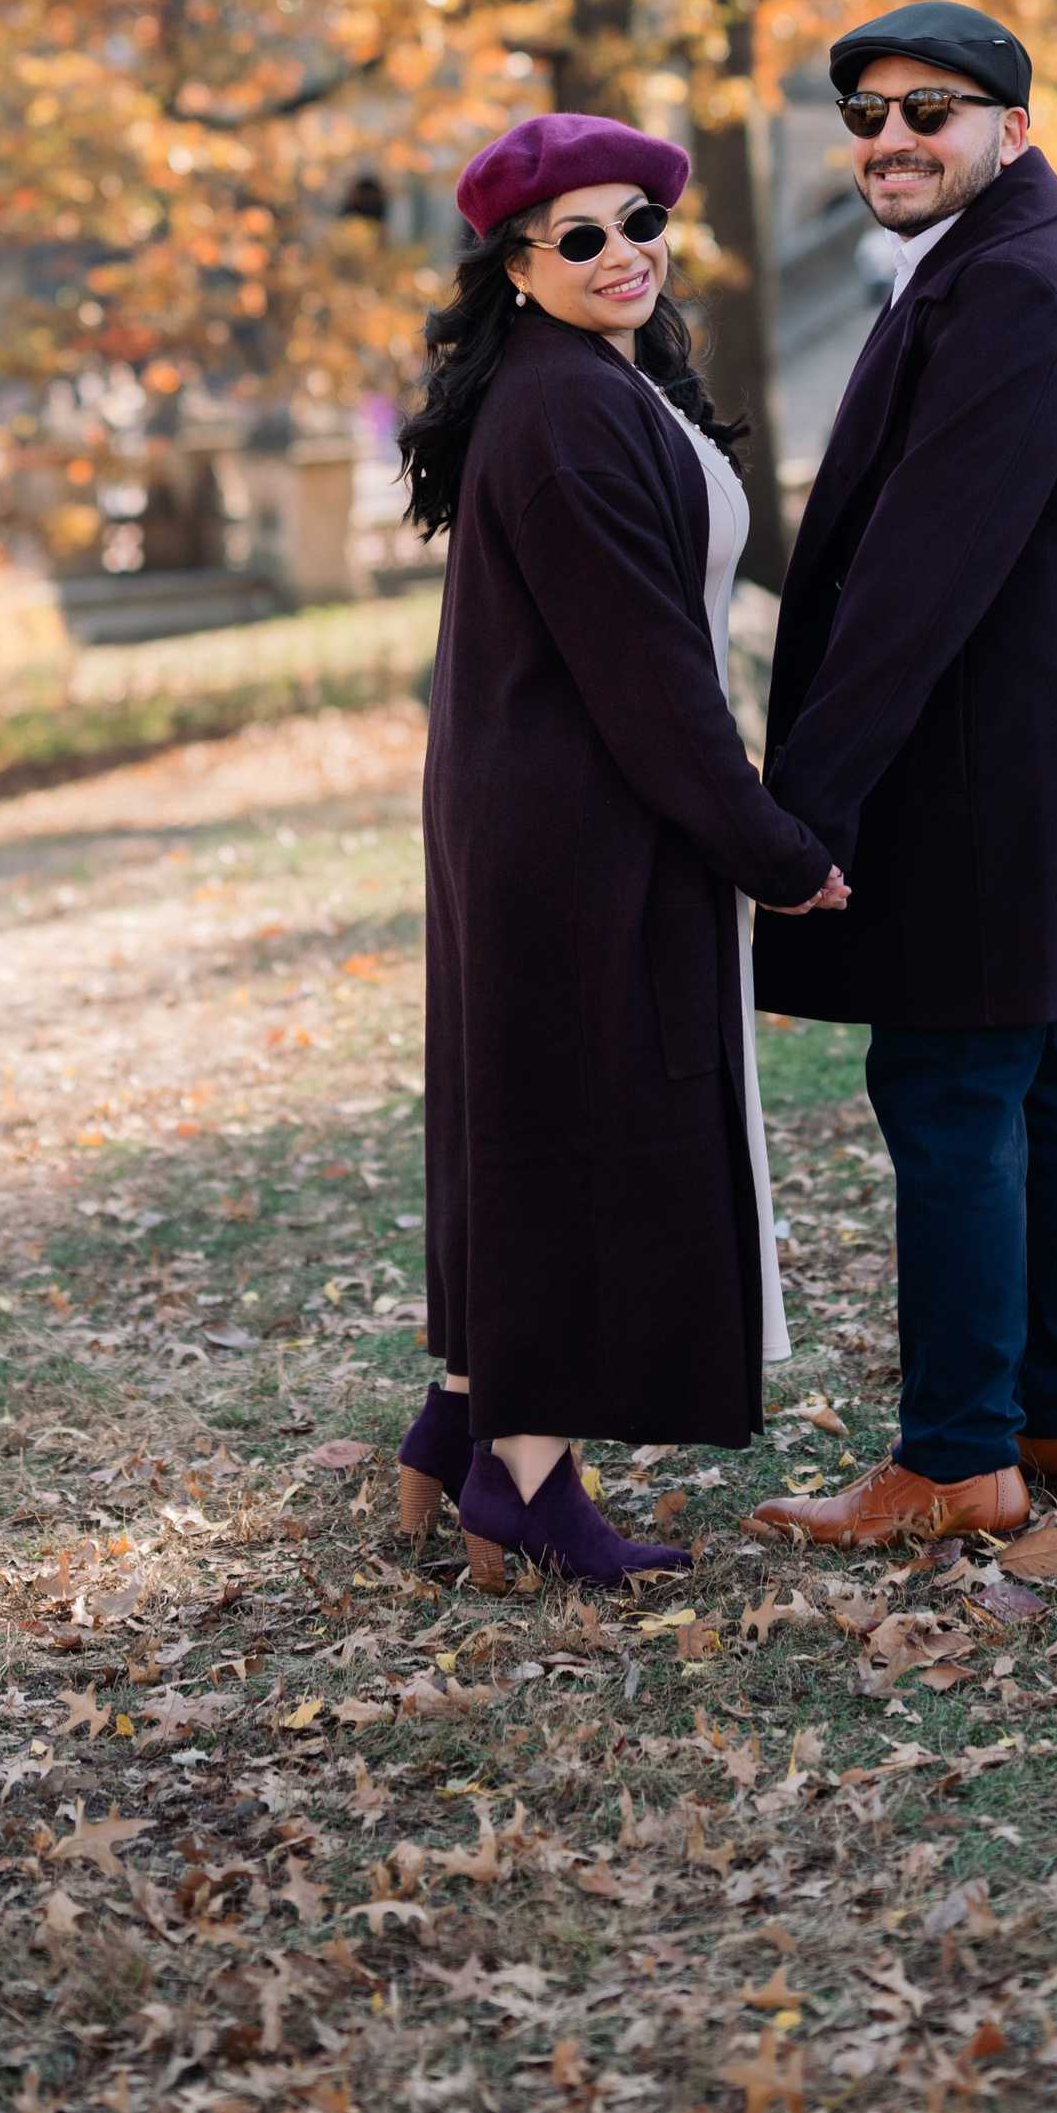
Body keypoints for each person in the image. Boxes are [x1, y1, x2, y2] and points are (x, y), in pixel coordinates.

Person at [744, 0, 1057, 1550]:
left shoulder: (1011, 286)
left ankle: (958, 1458)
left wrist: (805, 810)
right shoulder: (999, 262)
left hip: (981, 774)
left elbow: (918, 578)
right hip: (1039, 763)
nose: (891, 138)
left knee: (953, 1091)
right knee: (1041, 1085)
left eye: (928, 112)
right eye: (868, 116)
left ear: (1008, 130)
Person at [395, 111, 849, 1589]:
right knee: (571, 1126)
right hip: (576, 829)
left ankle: (464, 1425)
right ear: (517, 267)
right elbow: (651, 675)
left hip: (549, 810)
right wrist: (775, 850)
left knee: (533, 1107)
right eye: (579, 238)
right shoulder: (569, 412)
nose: (622, 255)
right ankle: (525, 1485)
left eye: (639, 224)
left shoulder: (589, 382)